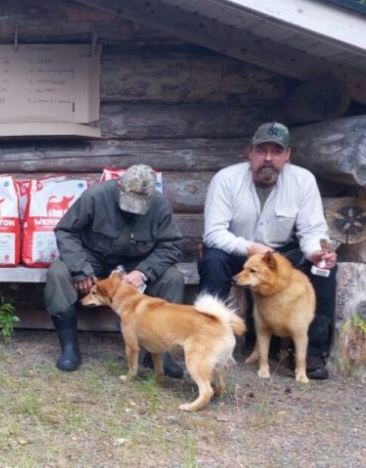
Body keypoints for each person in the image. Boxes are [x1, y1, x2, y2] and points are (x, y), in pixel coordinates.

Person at [199, 121, 336, 380]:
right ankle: (209, 340)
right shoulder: (226, 179)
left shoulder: (303, 181)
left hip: (279, 253)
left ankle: (311, 352)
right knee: (212, 263)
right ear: (250, 152)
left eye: (276, 151)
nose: (268, 158)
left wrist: (317, 252)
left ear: (288, 155)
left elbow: (312, 230)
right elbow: (214, 233)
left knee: (324, 269)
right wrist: (250, 247)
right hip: (237, 249)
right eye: (262, 151)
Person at [45, 164, 185, 375]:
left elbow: (171, 245)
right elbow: (65, 231)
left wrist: (143, 272)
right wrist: (80, 269)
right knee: (58, 273)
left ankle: (160, 352)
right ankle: (69, 348)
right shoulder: (95, 195)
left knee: (172, 278)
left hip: (136, 263)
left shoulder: (160, 205)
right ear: (119, 187)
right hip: (93, 259)